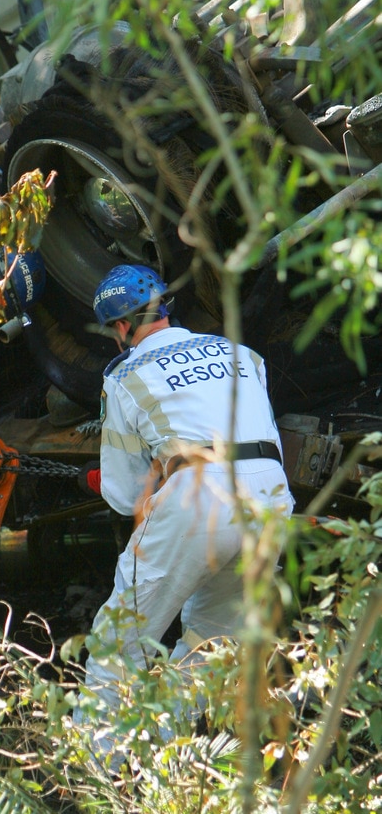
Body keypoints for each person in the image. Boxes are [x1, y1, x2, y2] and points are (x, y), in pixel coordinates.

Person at [75, 263, 294, 734]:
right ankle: (173, 762)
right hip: (271, 493)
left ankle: (92, 769)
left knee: (119, 640)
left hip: (202, 495)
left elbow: (122, 493)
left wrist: (93, 480)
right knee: (213, 641)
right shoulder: (241, 354)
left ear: (120, 327)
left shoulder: (126, 375)